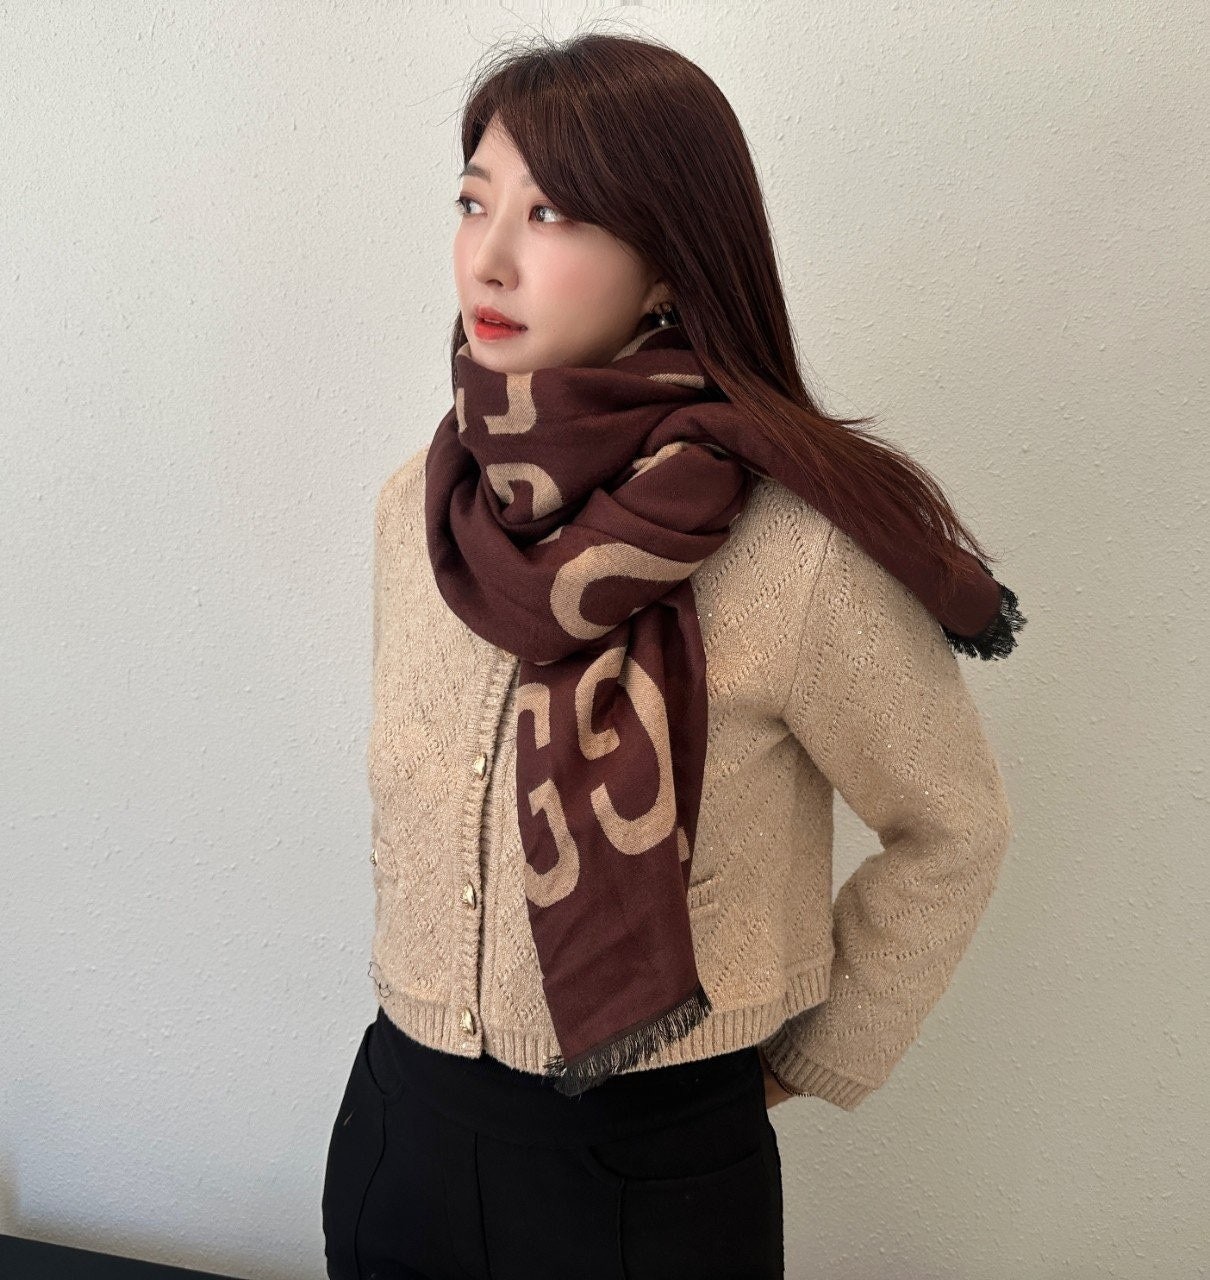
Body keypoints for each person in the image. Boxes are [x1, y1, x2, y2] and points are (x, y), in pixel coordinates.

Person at [321, 28, 1024, 1280]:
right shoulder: (416, 513)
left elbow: (951, 826)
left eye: (552, 213)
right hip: (399, 1132)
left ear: (665, 263)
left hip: (648, 1175)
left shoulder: (791, 548)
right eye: (474, 201)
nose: (489, 255)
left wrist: (805, 1053)